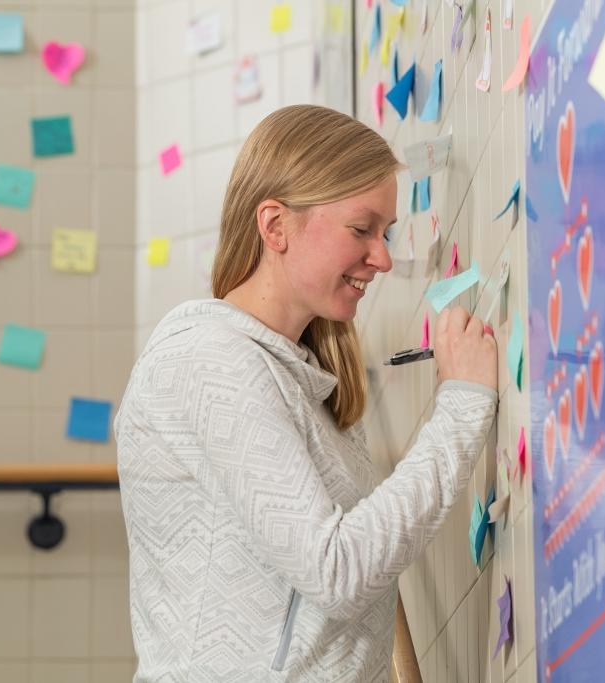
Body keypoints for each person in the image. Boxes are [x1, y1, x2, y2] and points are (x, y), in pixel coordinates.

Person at [115, 105, 498, 682]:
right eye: (362, 228)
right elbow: (338, 571)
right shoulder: (208, 359)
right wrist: (463, 405)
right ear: (275, 227)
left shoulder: (305, 382)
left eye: (387, 233)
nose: (384, 257)